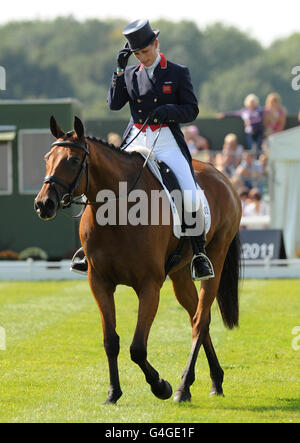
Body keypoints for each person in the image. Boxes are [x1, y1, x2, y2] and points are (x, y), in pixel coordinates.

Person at [71, 19, 214, 280]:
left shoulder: (178, 72)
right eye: (137, 54)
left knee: (190, 193)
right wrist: (118, 69)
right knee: (100, 180)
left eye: (145, 52)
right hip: (136, 138)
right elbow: (114, 104)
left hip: (166, 139)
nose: (142, 58)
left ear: (156, 44)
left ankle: (199, 253)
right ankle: (87, 248)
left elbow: (191, 110)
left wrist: (168, 111)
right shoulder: (129, 74)